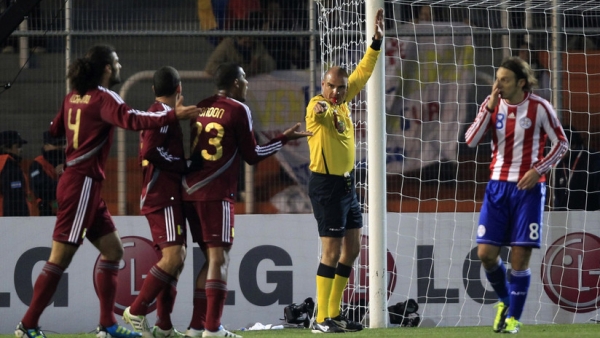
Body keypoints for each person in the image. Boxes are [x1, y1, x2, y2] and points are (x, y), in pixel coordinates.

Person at [15, 44, 201, 338]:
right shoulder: (103, 98)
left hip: (84, 184)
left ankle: (108, 326)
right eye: (116, 63)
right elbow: (134, 121)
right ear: (106, 68)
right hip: (82, 184)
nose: (120, 68)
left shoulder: (71, 97)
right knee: (59, 258)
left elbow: (53, 130)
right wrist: (171, 116)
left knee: (113, 251)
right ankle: (27, 324)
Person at [182, 62, 312, 338]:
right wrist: (283, 139)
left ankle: (196, 326)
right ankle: (214, 329)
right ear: (236, 83)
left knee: (209, 259)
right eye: (244, 79)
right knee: (220, 259)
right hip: (216, 193)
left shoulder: (202, 106)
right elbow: (252, 155)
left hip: (190, 192)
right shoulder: (239, 109)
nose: (247, 84)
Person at [465, 56, 568, 333]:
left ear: (521, 83)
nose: (498, 84)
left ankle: (513, 321)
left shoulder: (540, 108)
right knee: (486, 254)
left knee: (520, 258)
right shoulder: (491, 106)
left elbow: (562, 143)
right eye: (497, 78)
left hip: (529, 190)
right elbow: (470, 140)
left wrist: (539, 169)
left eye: (504, 79)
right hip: (497, 187)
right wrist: (488, 109)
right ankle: (505, 301)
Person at [305, 8, 384, 334]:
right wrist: (322, 108)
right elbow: (318, 114)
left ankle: (334, 313)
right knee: (331, 251)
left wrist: (376, 42)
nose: (335, 91)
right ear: (322, 84)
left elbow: (363, 73)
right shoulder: (317, 106)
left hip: (348, 186)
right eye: (331, 86)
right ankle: (320, 318)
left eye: (339, 87)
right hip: (326, 186)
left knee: (351, 250)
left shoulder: (343, 100)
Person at [121, 66, 193, 338]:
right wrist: (179, 164)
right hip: (161, 194)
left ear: (153, 90)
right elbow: (148, 151)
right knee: (174, 256)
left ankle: (164, 325)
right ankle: (137, 310)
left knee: (177, 259)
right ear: (179, 88)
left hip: (167, 194)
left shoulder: (160, 113)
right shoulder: (161, 114)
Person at [204, 19, 276, 78]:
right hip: (230, 87)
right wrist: (234, 71)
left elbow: (271, 64)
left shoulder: (257, 45)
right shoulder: (226, 45)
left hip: (253, 89)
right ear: (236, 38)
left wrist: (260, 63)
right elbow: (210, 67)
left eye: (250, 40)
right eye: (245, 42)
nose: (248, 44)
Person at [553, 125, 600, 211]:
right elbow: (558, 200)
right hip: (566, 220)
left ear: (572, 144)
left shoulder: (593, 159)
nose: (555, 150)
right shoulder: (560, 165)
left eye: (559, 146)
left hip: (591, 218)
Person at [28, 131, 66, 216]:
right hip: (44, 212)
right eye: (56, 144)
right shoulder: (37, 164)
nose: (59, 147)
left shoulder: (69, 162)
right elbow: (42, 190)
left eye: (61, 144)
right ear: (45, 146)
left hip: (69, 212)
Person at [0, 130, 29, 216]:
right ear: (6, 148)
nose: (21, 150)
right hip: (10, 219)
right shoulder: (10, 167)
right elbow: (14, 198)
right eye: (18, 146)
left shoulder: (3, 164)